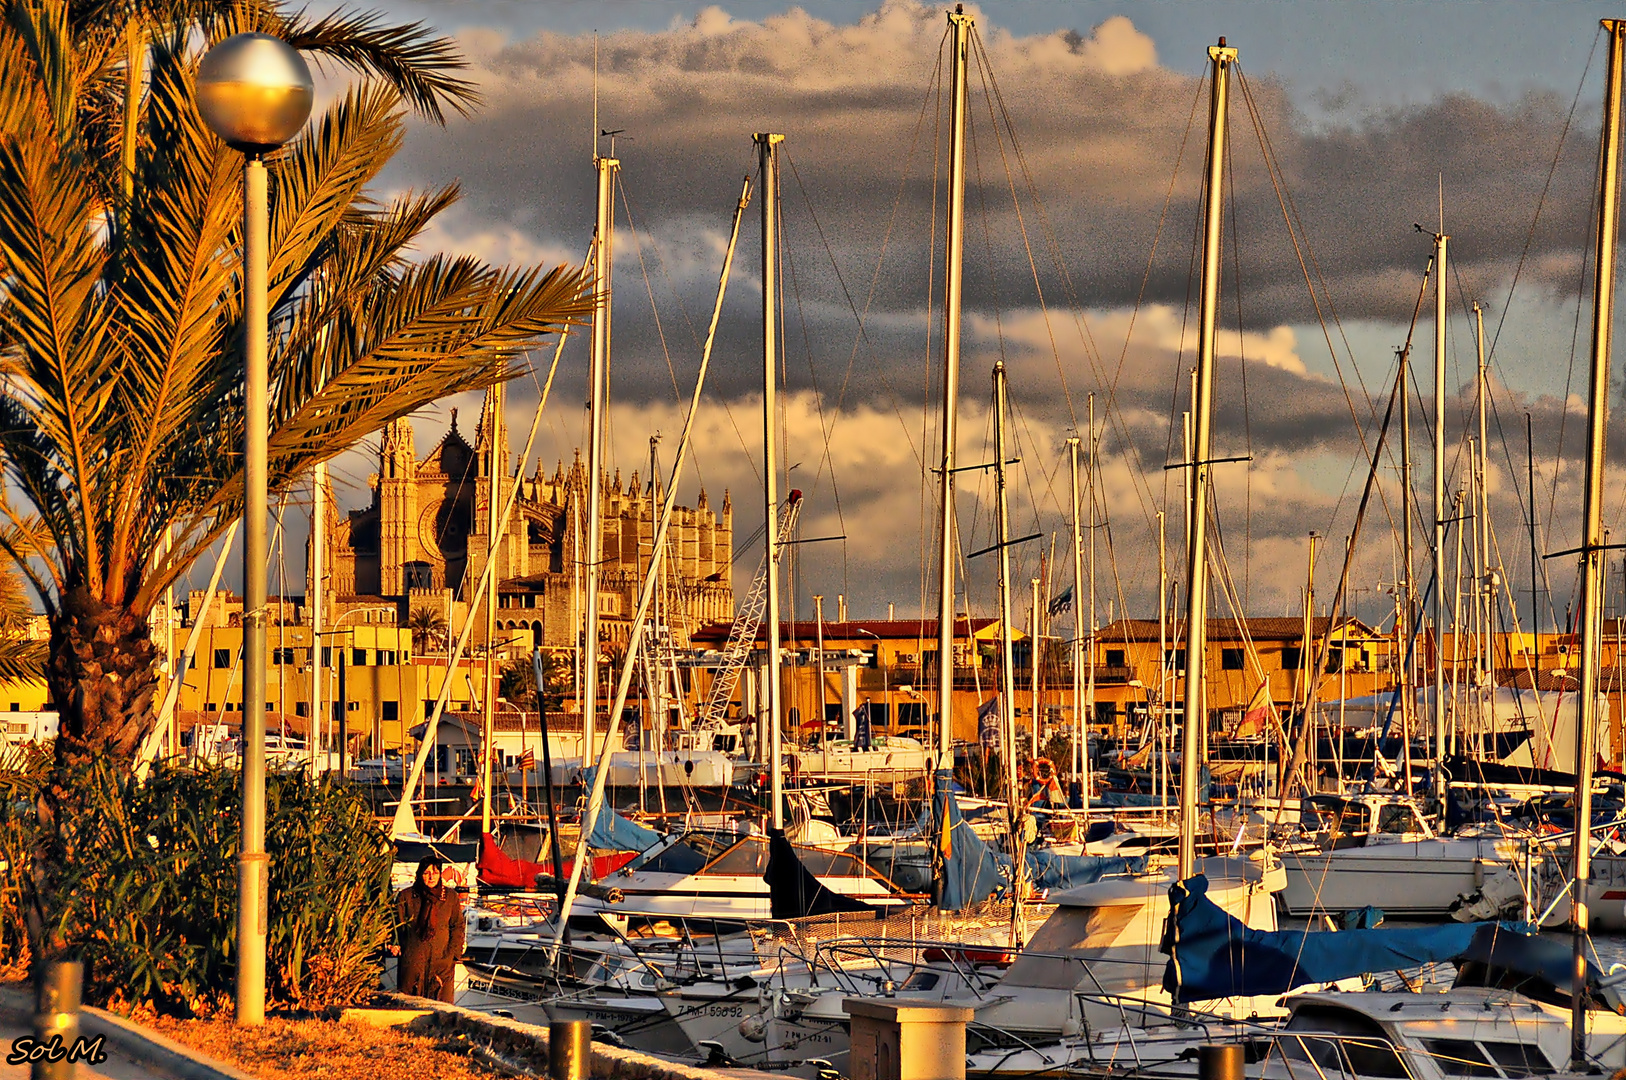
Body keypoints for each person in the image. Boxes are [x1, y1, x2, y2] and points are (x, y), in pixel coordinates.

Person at [395, 857, 464, 1002]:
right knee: (409, 1005)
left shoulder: (450, 897)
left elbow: (457, 926)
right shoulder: (406, 896)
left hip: (442, 963)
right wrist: (395, 943)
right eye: (426, 873)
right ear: (420, 874)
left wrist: (453, 954)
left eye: (435, 872)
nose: (431, 877)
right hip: (413, 962)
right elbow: (396, 925)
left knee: (442, 1009)